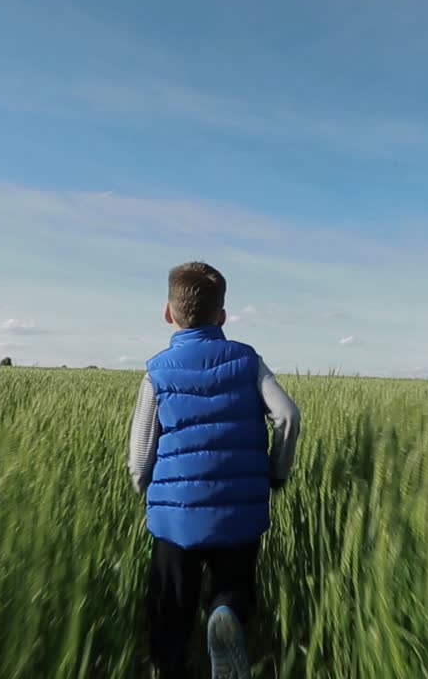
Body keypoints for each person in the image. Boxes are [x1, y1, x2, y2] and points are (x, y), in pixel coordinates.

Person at [128, 261, 301, 678]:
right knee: (234, 588)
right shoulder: (248, 361)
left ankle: (168, 665)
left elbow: (140, 449)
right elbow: (288, 416)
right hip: (238, 514)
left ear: (168, 313)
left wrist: (143, 487)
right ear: (222, 316)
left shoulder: (156, 371)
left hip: (175, 518)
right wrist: (275, 473)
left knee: (170, 610)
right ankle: (225, 613)